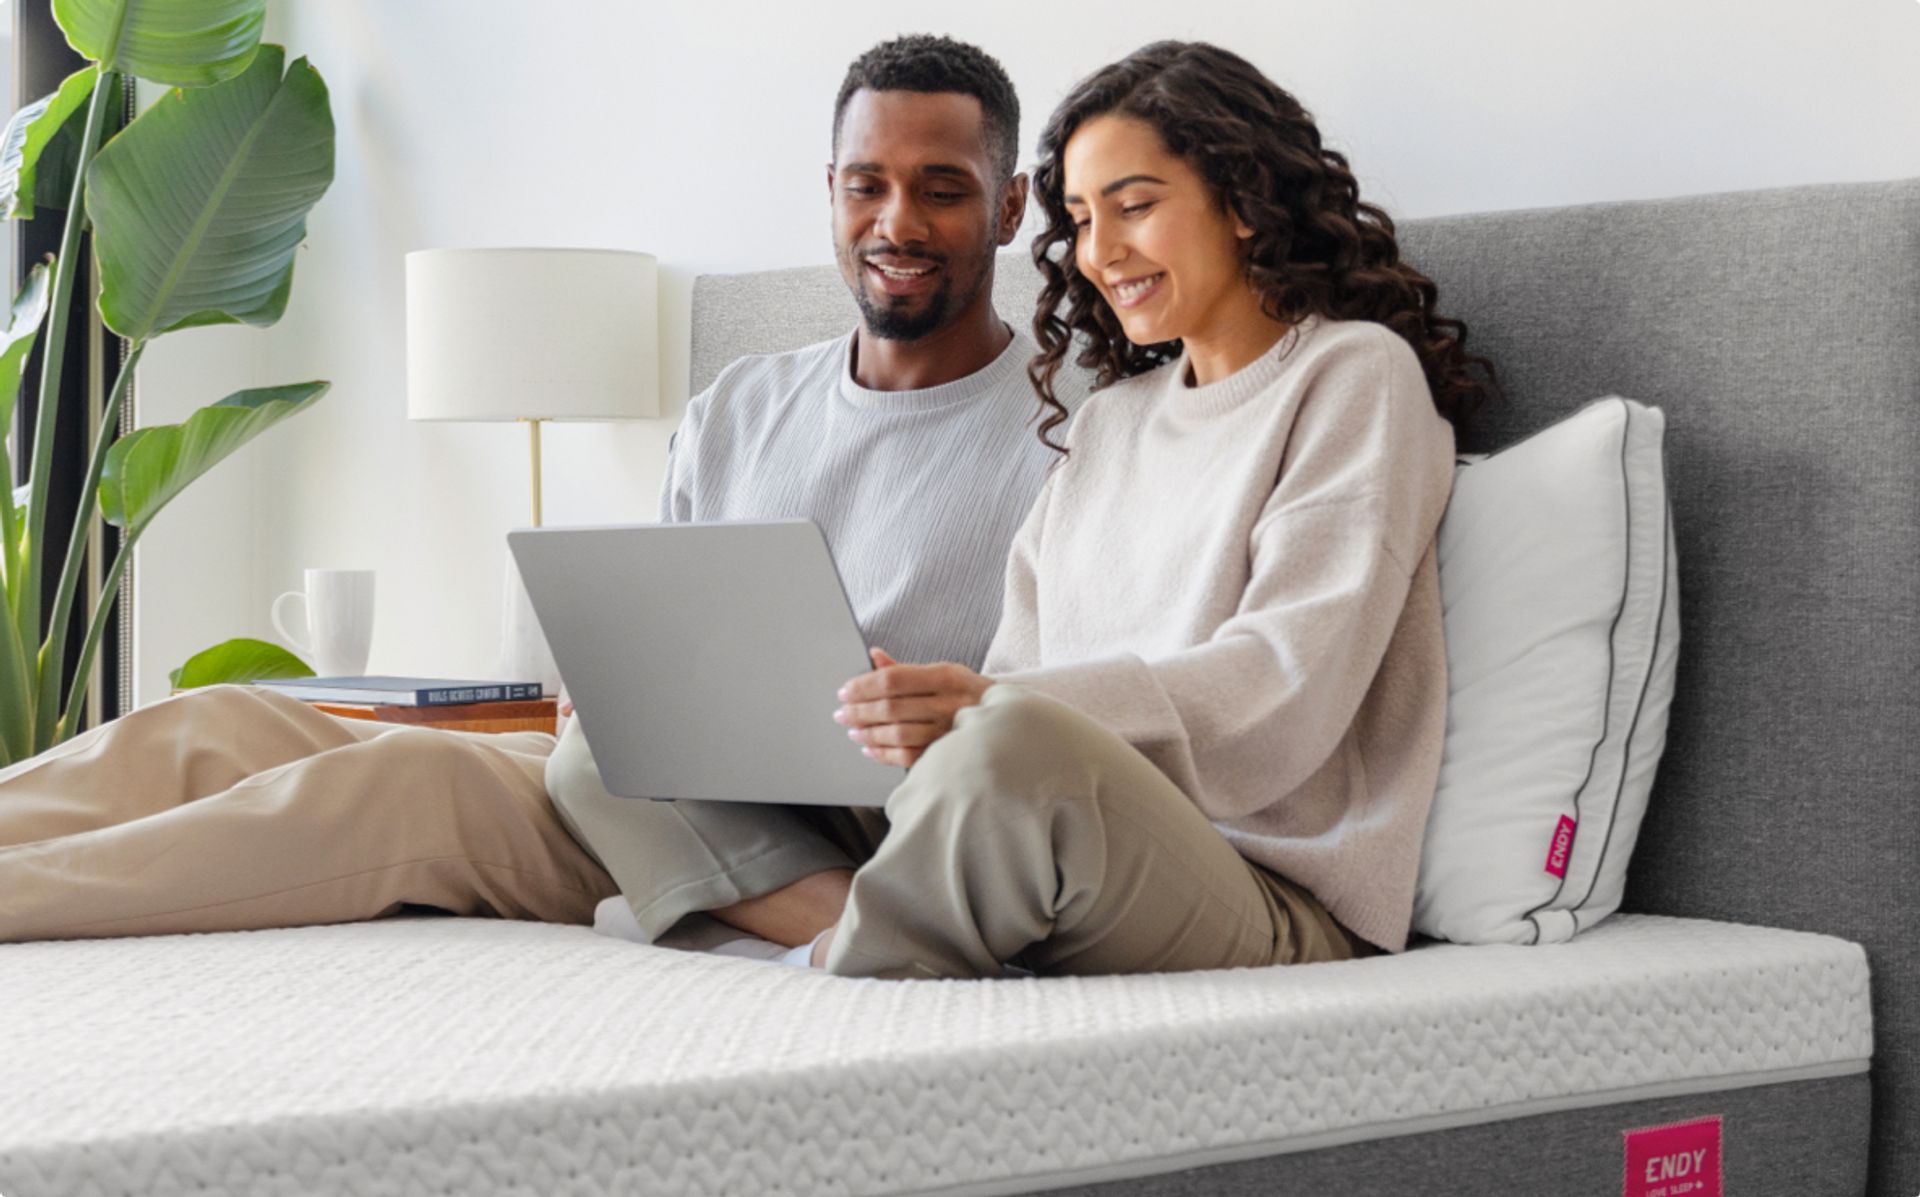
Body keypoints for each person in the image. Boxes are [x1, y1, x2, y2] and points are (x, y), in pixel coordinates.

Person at [0, 35, 1073, 947]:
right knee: (218, 723)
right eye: (865, 185)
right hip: (654, 780)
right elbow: (673, 636)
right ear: (830, 192)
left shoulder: (1074, 427)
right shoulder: (743, 402)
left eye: (943, 190)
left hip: (833, 828)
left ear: (1012, 206)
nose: (897, 223)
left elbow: (1077, 702)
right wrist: (610, 682)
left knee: (402, 789)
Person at [800, 41, 1503, 979]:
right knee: (621, 751)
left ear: (1244, 202)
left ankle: (832, 978)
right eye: (1085, 218)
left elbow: (1285, 688)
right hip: (1076, 832)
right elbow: (1018, 674)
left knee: (1008, 742)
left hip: (1267, 882)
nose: (1100, 251)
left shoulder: (1354, 376)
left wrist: (996, 708)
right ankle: (818, 930)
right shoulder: (1112, 422)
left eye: (1134, 206)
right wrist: (937, 717)